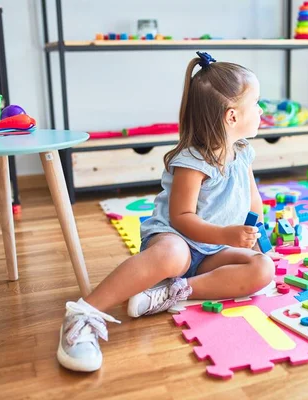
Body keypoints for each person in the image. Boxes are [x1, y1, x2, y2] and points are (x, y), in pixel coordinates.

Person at [57, 51, 274, 372]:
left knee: (263, 269)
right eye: (256, 103)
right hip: (176, 242)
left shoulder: (243, 153)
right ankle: (82, 313)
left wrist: (258, 239)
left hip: (211, 252)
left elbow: (253, 203)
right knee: (176, 255)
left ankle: (173, 292)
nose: (261, 110)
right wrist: (227, 234)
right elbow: (181, 220)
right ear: (231, 116)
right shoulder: (193, 161)